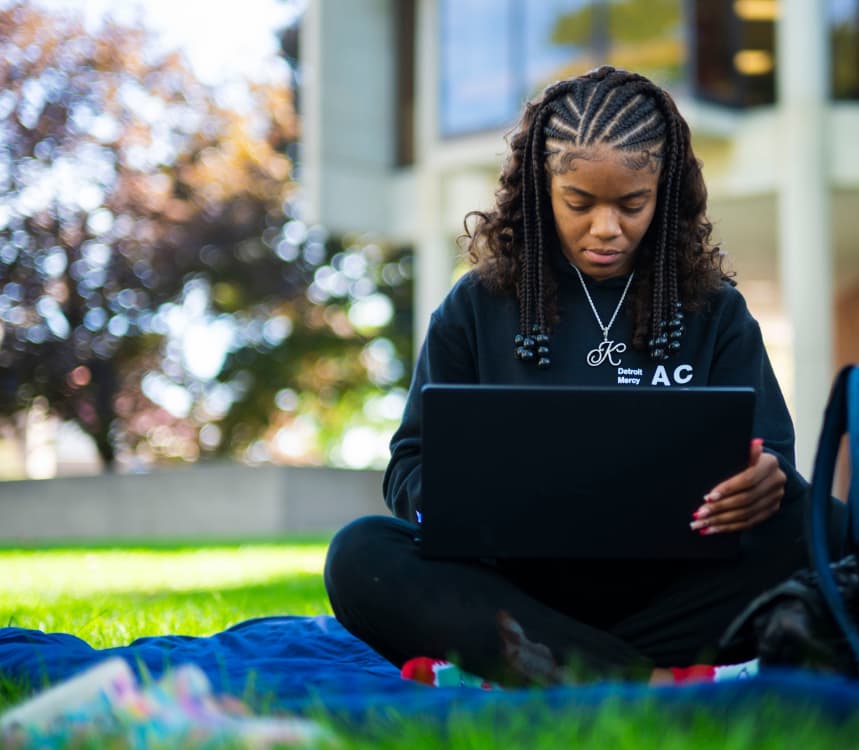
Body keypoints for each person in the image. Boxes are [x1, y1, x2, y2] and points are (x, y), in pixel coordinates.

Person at [324, 66, 810, 686]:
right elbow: (408, 467)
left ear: (666, 193)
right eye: (579, 202)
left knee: (830, 527)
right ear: (540, 189)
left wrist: (763, 483)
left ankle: (546, 665)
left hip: (675, 594)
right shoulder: (474, 307)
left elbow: (772, 462)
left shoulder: (716, 310)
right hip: (519, 589)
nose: (606, 228)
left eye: (633, 203)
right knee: (361, 554)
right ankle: (646, 678)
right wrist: (464, 496)